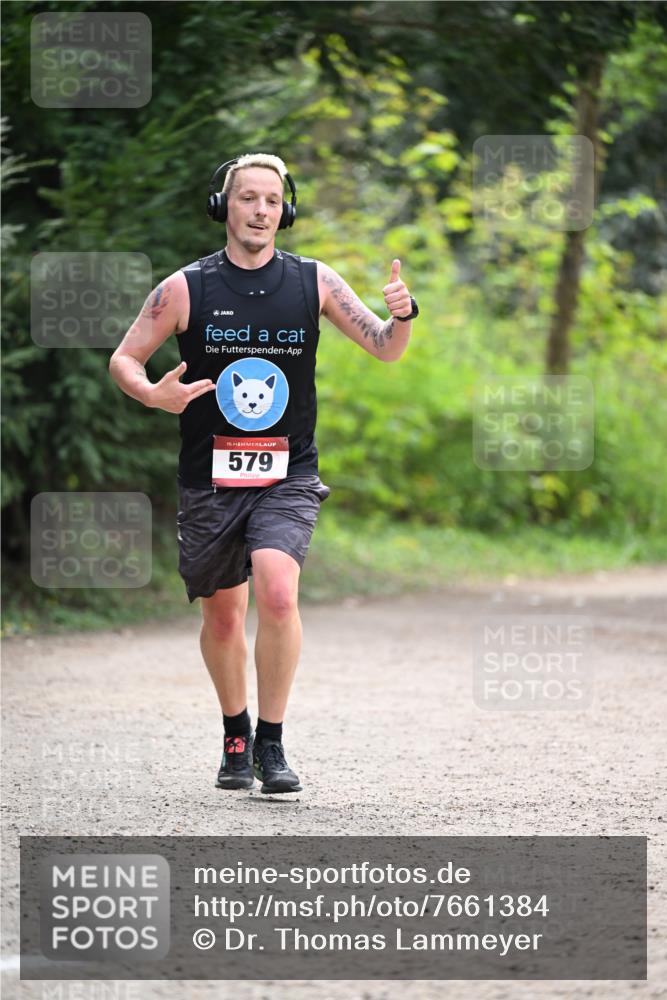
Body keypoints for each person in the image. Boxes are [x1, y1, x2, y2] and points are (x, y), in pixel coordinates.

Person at [109, 153, 418, 794]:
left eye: (272, 200)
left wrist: (404, 314)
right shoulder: (185, 288)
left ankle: (271, 743)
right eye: (247, 198)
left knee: (278, 593)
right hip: (211, 478)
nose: (260, 211)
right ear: (224, 206)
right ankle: (236, 733)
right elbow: (124, 360)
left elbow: (386, 348)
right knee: (224, 618)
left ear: (287, 210)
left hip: (287, 472)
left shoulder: (314, 282)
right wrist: (153, 394)